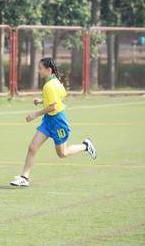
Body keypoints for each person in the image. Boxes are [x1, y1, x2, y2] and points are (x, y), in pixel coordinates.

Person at [10, 57, 97, 187]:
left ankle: (86, 146)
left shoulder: (49, 86)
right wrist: (42, 100)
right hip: (49, 120)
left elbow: (54, 106)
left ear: (48, 70)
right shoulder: (55, 81)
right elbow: (61, 95)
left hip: (58, 122)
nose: (38, 71)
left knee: (62, 153)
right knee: (32, 147)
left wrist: (35, 114)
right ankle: (24, 178)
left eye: (40, 69)